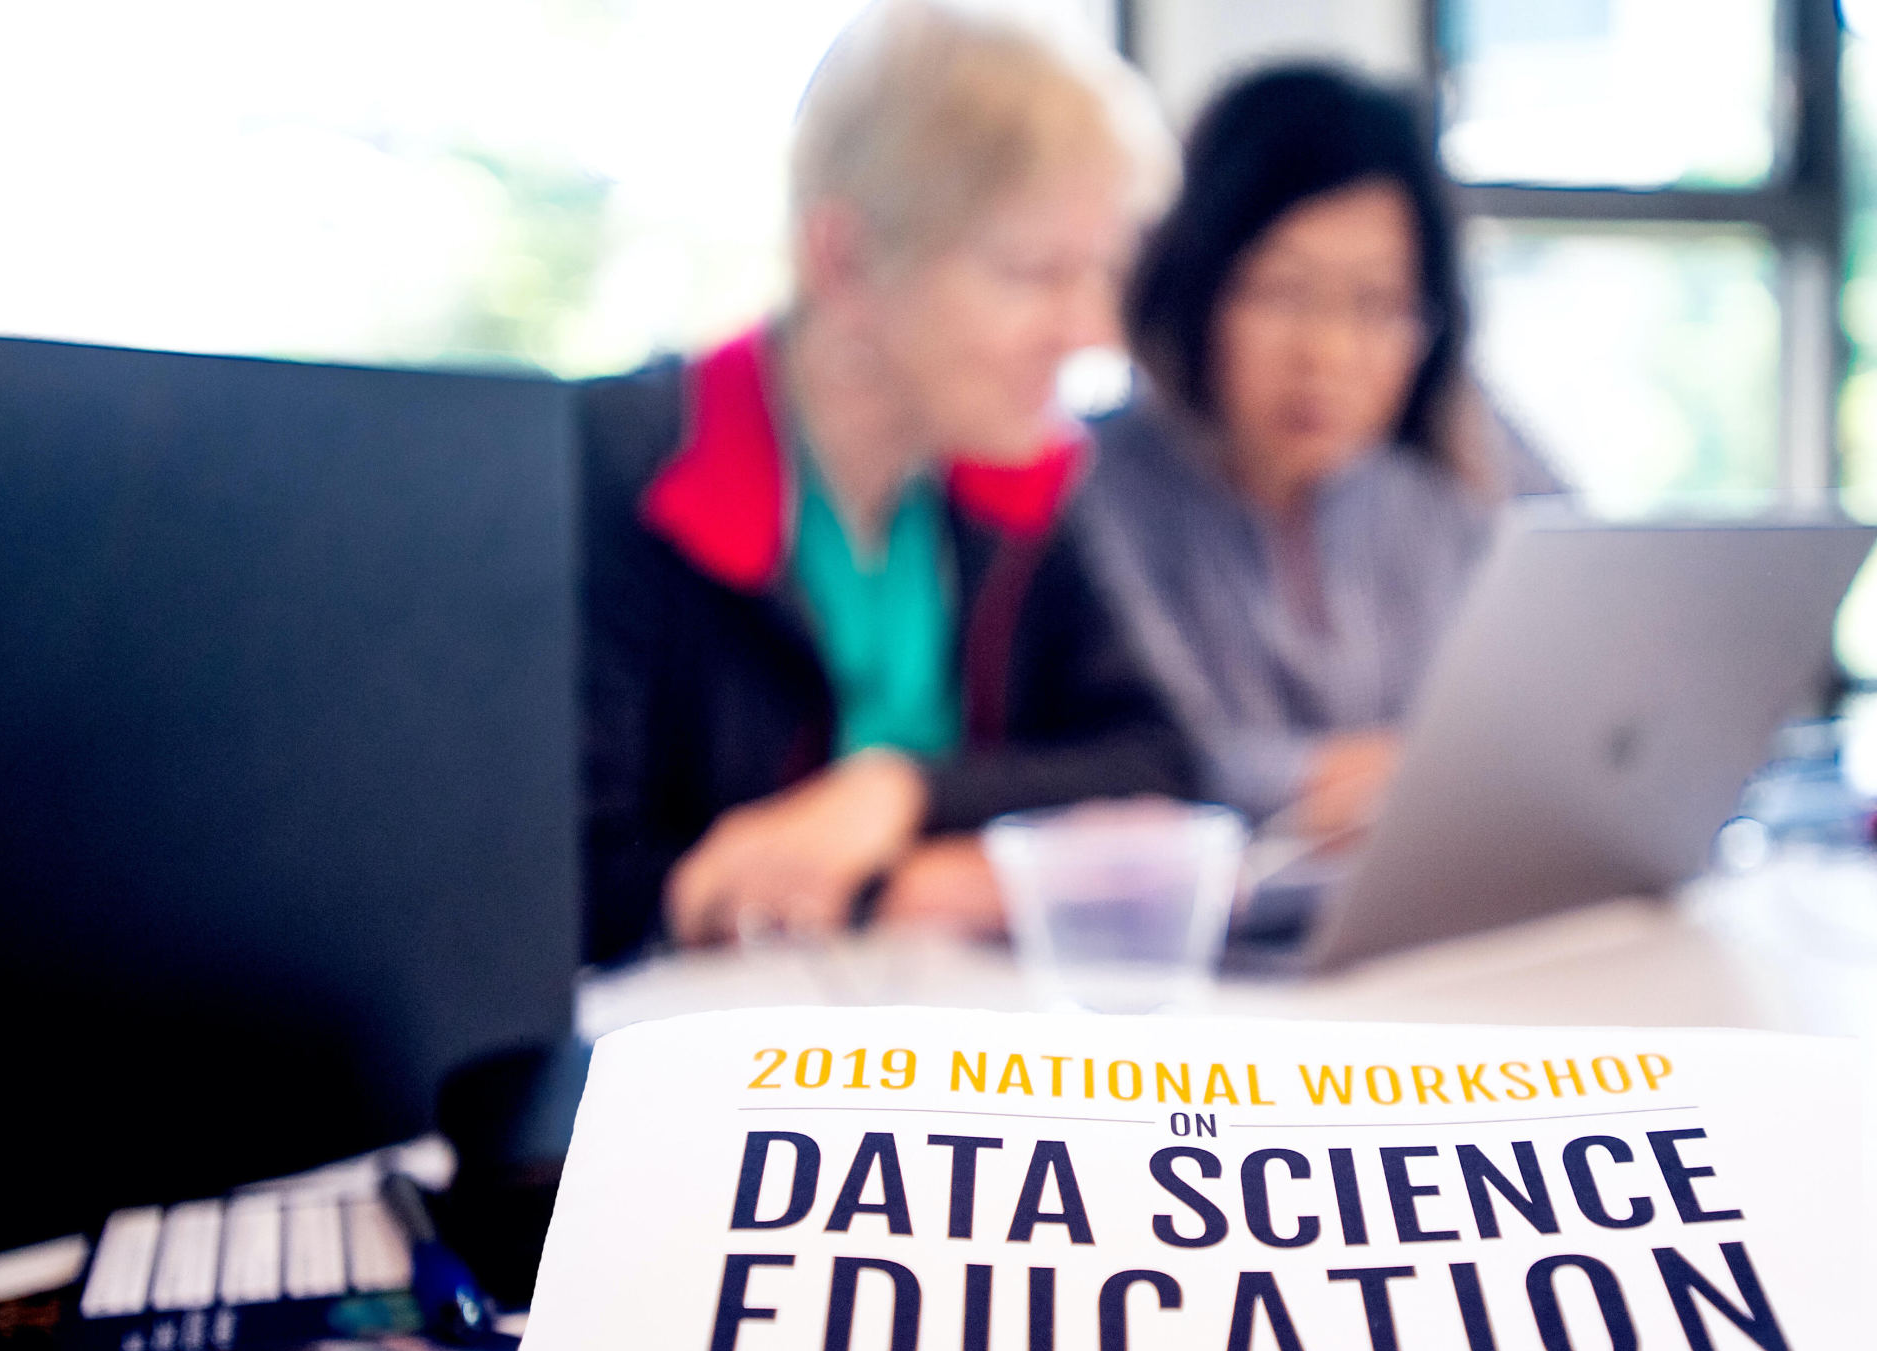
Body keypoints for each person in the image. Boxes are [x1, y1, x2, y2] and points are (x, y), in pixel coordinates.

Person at [580, 0, 1191, 961]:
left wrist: (899, 792)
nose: (1089, 332)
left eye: (1099, 274)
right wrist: (901, 890)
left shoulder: (1018, 476)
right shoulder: (622, 472)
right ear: (846, 259)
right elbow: (583, 883)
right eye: (1034, 273)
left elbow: (1158, 759)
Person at [1076, 63, 1556, 840]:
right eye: (1281, 292)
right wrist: (1353, 782)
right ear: (1198, 286)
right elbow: (1144, 763)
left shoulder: (1459, 462)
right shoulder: (1096, 492)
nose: (1326, 354)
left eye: (1376, 305)